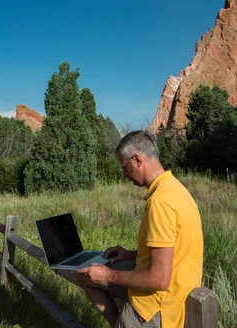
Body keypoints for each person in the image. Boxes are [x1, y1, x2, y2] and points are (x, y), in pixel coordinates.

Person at [77, 130, 204, 328]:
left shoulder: (160, 202)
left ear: (137, 160)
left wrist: (107, 275)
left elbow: (158, 279)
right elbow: (174, 248)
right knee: (84, 275)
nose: (124, 174)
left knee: (94, 274)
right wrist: (132, 254)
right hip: (173, 295)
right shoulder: (176, 189)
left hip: (155, 308)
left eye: (124, 166)